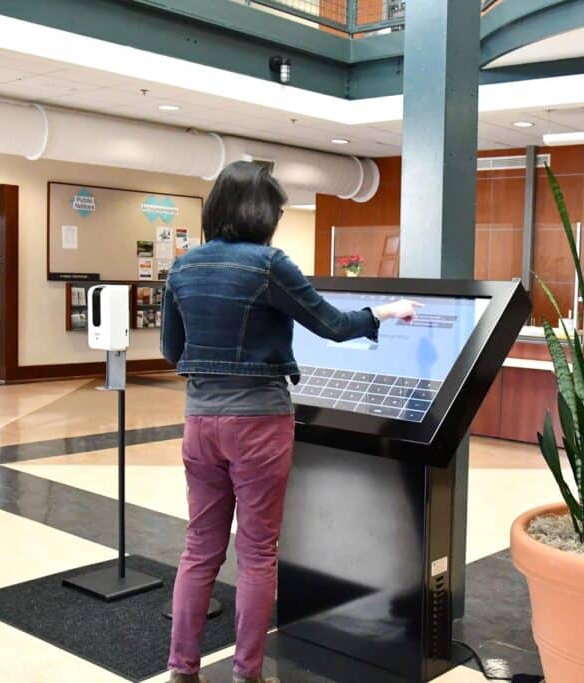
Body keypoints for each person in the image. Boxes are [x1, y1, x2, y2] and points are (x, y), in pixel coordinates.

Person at [161, 161, 419, 683]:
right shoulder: (269, 264)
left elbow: (172, 350)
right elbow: (334, 325)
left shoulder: (182, 268)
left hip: (200, 420)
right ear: (262, 214)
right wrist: (387, 311)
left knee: (199, 548)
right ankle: (247, 673)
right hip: (259, 424)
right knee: (256, 552)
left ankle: (182, 670)